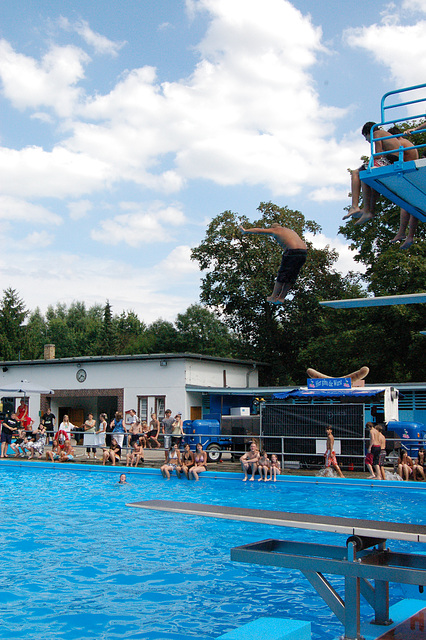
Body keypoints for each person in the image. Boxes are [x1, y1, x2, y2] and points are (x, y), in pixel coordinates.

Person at [346, 122, 419, 226]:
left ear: (368, 132)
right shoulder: (387, 136)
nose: (367, 140)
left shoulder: (377, 134)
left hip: (391, 159)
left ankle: (357, 207)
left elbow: (378, 154)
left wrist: (371, 162)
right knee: (372, 179)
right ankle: (368, 210)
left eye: (365, 137)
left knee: (357, 173)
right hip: (393, 159)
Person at [240, 223, 307, 304]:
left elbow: (258, 231)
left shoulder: (275, 230)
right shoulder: (289, 230)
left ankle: (273, 296)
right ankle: (281, 297)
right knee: (291, 276)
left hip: (292, 251)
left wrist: (246, 231)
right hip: (303, 253)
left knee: (282, 275)